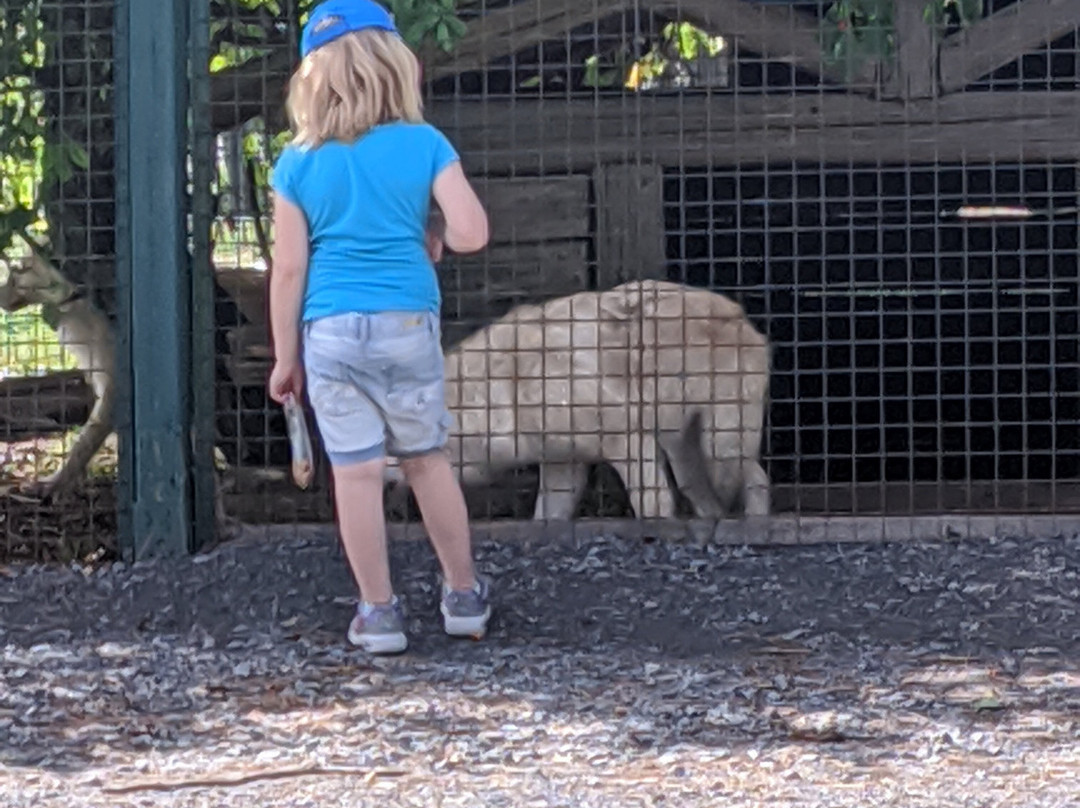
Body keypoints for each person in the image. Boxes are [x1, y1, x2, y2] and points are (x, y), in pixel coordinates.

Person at [266, 0, 491, 655]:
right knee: (425, 461)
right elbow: (473, 233)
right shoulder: (425, 145)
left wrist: (286, 360)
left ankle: (378, 613)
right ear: (398, 66)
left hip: (329, 333)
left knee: (356, 475)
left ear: (313, 77)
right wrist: (433, 231)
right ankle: (463, 597)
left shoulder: (296, 162)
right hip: (404, 325)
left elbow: (287, 269)